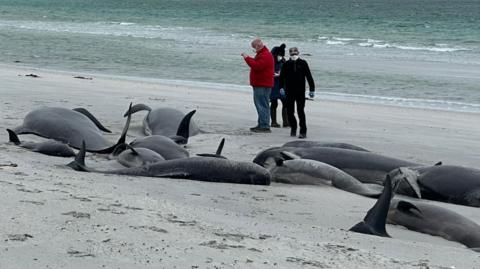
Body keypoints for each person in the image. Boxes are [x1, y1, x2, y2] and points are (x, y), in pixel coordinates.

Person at [279, 47, 315, 139]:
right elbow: (281, 77)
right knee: (290, 112)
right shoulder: (286, 64)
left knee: (300, 111)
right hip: (289, 91)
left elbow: (309, 76)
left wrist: (312, 89)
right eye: (291, 53)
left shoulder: (303, 63)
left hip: (300, 92)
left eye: (295, 52)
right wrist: (281, 88)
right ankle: (293, 128)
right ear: (289, 54)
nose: (293, 54)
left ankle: (303, 131)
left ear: (298, 53)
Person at [241, 38, 275, 133]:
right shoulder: (262, 54)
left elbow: (257, 66)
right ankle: (261, 124)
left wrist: (247, 58)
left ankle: (264, 126)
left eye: (254, 48)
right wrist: (250, 58)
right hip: (261, 84)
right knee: (260, 104)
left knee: (262, 105)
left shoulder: (265, 55)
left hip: (263, 84)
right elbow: (257, 64)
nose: (254, 50)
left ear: (257, 46)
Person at [269, 44, 289, 128]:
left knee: (285, 103)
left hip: (282, 85)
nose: (280, 57)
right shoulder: (270, 61)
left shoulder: (283, 61)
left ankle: (286, 122)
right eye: (279, 55)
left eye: (281, 55)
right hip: (273, 85)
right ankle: (273, 122)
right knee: (274, 103)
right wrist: (273, 74)